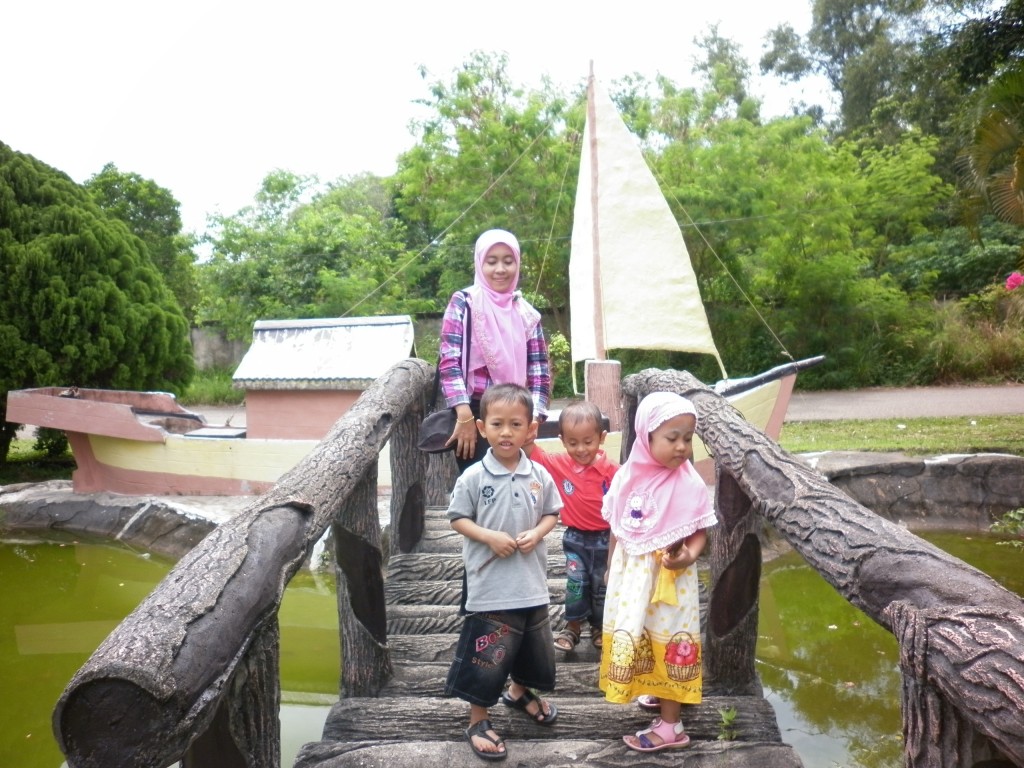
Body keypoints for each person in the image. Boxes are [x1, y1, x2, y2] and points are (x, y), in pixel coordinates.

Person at [444, 383, 562, 762]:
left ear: (531, 429)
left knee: (533, 649)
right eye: (497, 424)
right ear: (482, 428)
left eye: (516, 424)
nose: (506, 432)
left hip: (531, 582)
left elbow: (552, 513)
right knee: (487, 654)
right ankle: (477, 719)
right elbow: (458, 518)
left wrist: (538, 533)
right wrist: (489, 537)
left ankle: (518, 692)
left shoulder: (539, 475)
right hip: (490, 586)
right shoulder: (473, 477)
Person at [598, 392, 718, 752]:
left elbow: (699, 531)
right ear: (646, 437)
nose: (682, 447)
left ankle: (671, 726)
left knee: (670, 639)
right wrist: (610, 565)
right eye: (672, 438)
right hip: (632, 579)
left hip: (669, 581)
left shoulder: (688, 482)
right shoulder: (627, 476)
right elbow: (617, 526)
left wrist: (687, 557)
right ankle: (659, 689)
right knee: (641, 632)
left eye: (688, 438)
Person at [438, 229, 551, 473]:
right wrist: (464, 414)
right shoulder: (465, 303)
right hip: (475, 413)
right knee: (480, 484)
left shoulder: (526, 314)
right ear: (480, 264)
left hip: (516, 412)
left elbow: (540, 373)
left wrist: (533, 419)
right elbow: (449, 361)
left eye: (508, 261)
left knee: (516, 483)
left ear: (517, 264)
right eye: (492, 261)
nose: (500, 269)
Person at [526, 400, 617, 652]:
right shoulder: (559, 464)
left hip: (606, 539)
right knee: (576, 582)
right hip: (575, 538)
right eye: (573, 443)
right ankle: (573, 627)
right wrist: (529, 432)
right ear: (562, 441)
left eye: (588, 441)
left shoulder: (613, 472)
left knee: (601, 585)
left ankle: (599, 626)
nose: (581, 449)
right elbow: (533, 452)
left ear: (602, 438)